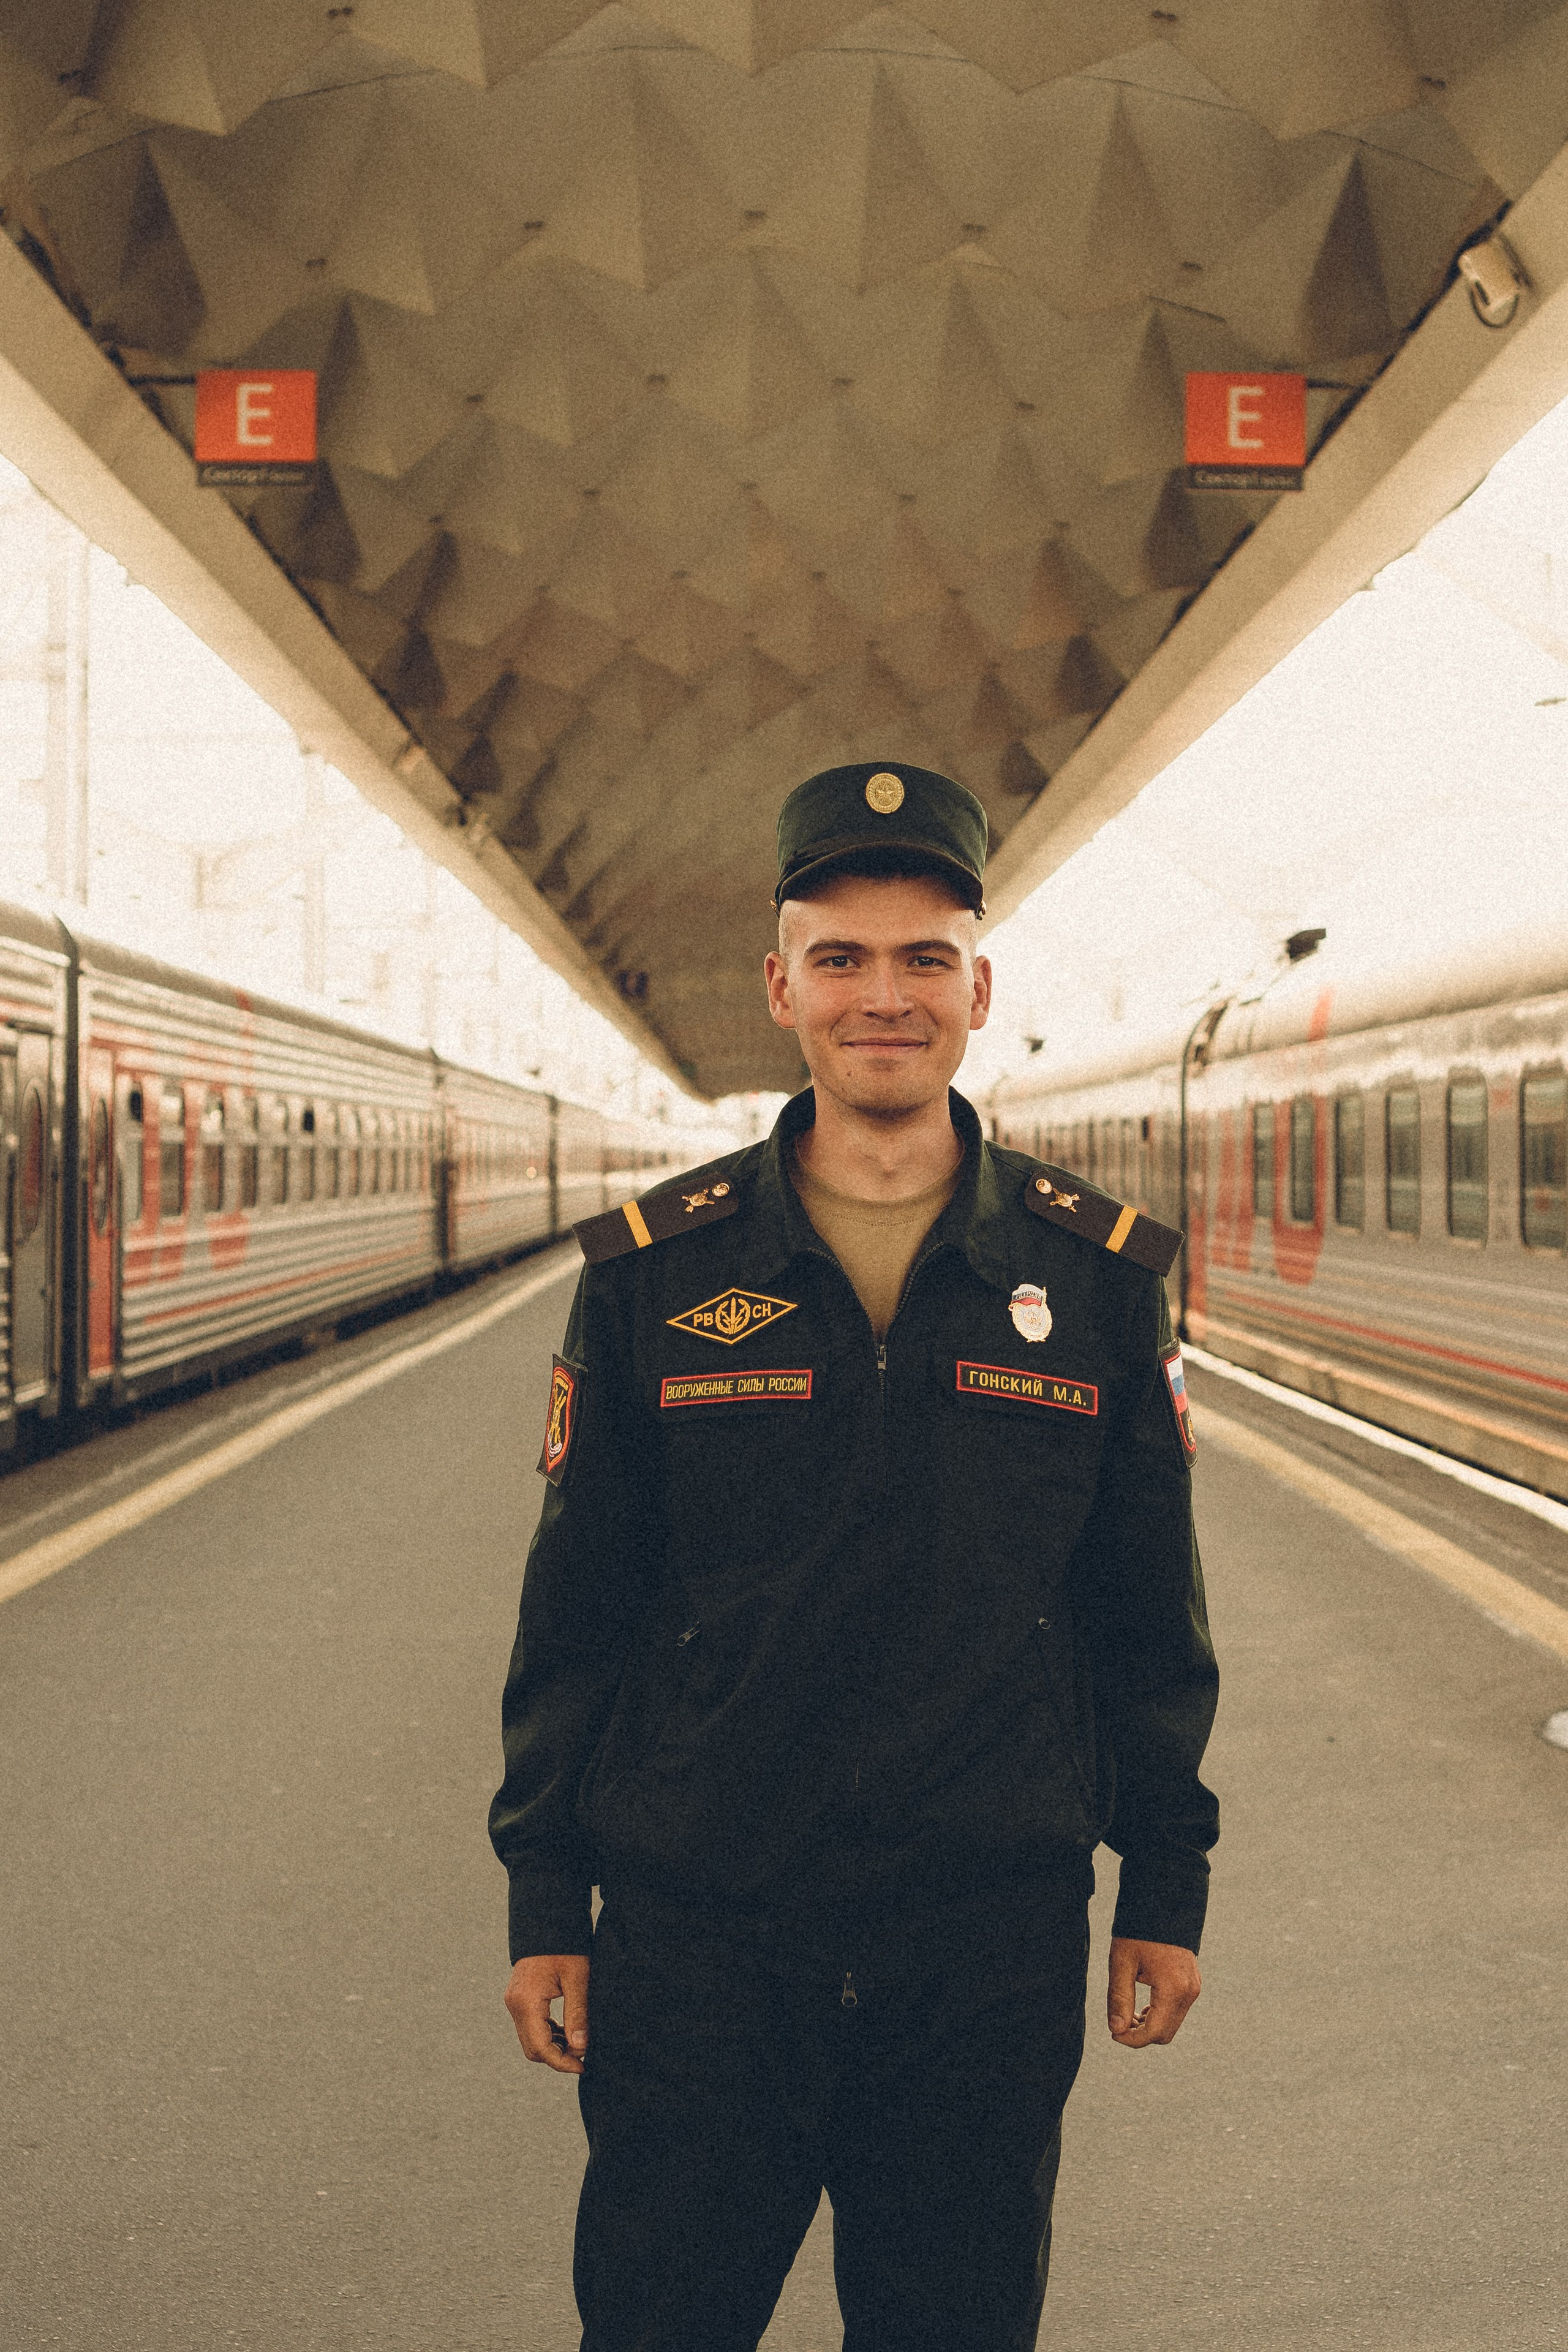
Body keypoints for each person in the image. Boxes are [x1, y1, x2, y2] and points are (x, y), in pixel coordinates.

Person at [490, 760, 1219, 2352]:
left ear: (977, 988)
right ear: (781, 987)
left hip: (987, 1944)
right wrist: (549, 1891)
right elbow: (583, 1606)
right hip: (700, 1943)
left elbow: (1142, 1613)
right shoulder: (652, 1277)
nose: (882, 996)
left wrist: (1166, 1871)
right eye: (841, 957)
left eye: (920, 959)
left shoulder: (1094, 1276)